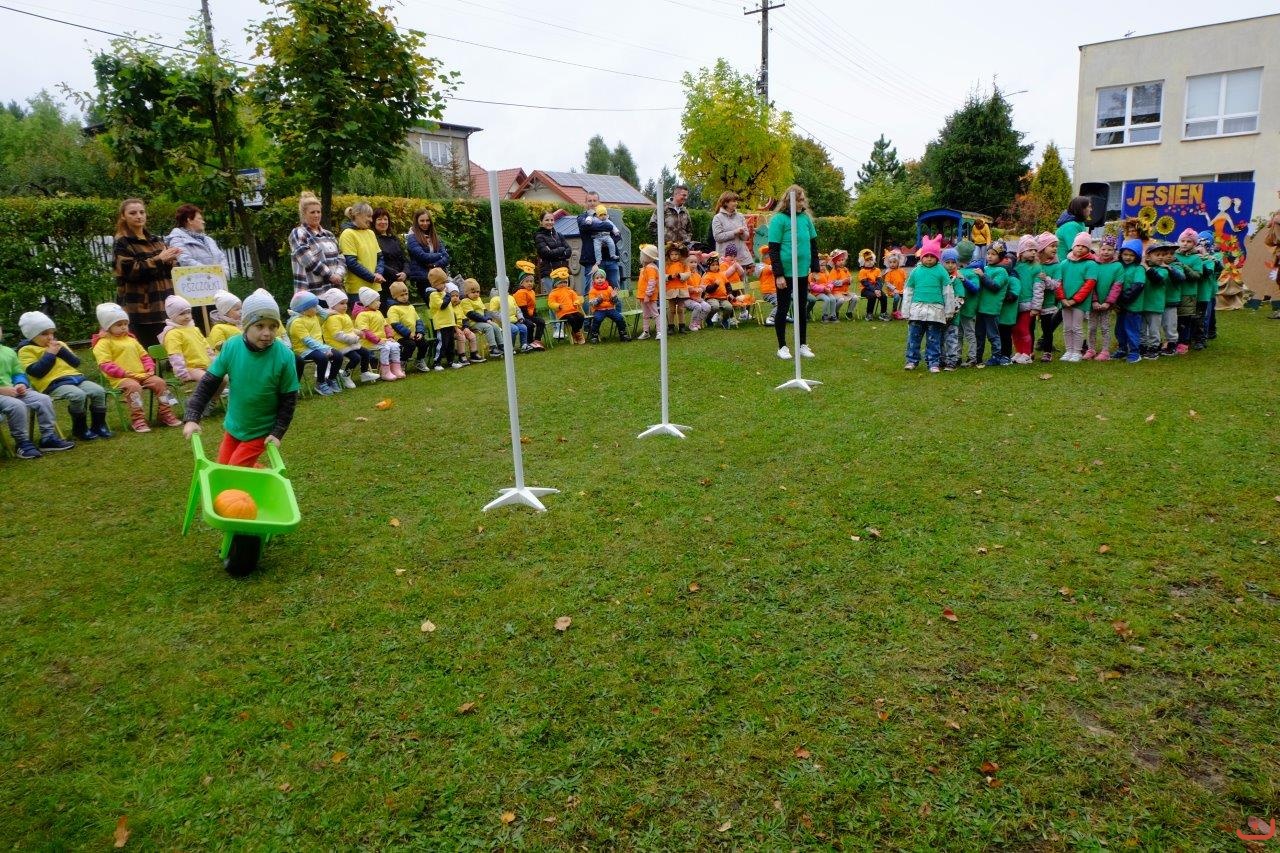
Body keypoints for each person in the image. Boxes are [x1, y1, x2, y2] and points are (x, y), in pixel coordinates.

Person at [182, 289, 299, 468]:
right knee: (225, 469)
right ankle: (263, 476)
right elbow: (208, 383)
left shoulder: (284, 356)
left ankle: (258, 479)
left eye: (272, 326)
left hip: (261, 430)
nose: (267, 333)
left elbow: (289, 399)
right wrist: (192, 417)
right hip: (235, 426)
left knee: (234, 471)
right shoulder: (231, 347)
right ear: (246, 325)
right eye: (260, 326)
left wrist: (277, 432)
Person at [17, 311, 112, 440]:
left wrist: (61, 350)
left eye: (52, 333)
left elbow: (76, 363)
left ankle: (99, 425)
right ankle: (80, 429)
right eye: (44, 334)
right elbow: (36, 372)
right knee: (78, 395)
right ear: (32, 335)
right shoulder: (26, 350)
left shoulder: (59, 345)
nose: (50, 337)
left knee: (99, 391)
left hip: (75, 378)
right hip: (51, 383)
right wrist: (50, 354)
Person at [92, 302, 180, 431]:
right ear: (107, 326)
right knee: (134, 388)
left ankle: (165, 413)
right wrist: (125, 373)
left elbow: (144, 356)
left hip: (142, 374)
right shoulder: (103, 343)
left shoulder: (131, 340)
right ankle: (138, 419)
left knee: (160, 383)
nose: (123, 327)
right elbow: (106, 364)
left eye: (125, 324)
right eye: (119, 325)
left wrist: (150, 368)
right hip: (122, 378)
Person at [0, 322, 74, 457]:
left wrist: (20, 384)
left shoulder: (8, 352)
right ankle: (22, 443)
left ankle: (48, 438)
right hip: (3, 394)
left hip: (13, 391)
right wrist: (2, 390)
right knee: (17, 405)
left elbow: (18, 372)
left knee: (43, 399)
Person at [113, 198, 180, 347]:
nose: (139, 216)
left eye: (142, 212)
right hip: (141, 308)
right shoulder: (122, 242)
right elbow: (130, 272)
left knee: (169, 348)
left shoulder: (156, 239)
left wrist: (171, 261)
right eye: (133, 213)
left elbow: (169, 270)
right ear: (123, 216)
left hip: (164, 303)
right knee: (148, 352)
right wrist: (159, 259)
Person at [766, 185, 819, 359]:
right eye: (799, 200)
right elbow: (773, 249)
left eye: (803, 199)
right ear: (790, 201)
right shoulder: (779, 219)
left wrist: (815, 268)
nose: (802, 203)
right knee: (783, 308)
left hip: (802, 272)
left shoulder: (805, 218)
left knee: (801, 308)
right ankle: (782, 346)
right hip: (785, 273)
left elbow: (813, 245)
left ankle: (802, 344)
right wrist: (779, 274)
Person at [902, 237, 952, 373]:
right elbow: (908, 291)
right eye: (926, 256)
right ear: (922, 256)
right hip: (917, 311)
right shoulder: (916, 271)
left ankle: (933, 362)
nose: (929, 259)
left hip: (935, 312)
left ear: (937, 257)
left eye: (932, 256)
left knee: (934, 339)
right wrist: (906, 311)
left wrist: (949, 311)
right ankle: (911, 360)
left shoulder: (941, 271)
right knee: (914, 337)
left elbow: (947, 292)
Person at [287, 290, 344, 395]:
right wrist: (325, 349)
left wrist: (314, 303)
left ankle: (331, 379)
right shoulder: (296, 322)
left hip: (318, 347)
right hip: (304, 350)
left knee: (338, 356)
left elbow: (324, 314)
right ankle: (320, 383)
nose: (317, 308)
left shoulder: (313, 316)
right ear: (304, 310)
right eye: (314, 306)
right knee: (322, 358)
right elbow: (308, 341)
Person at [290, 192, 345, 295]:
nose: (316, 215)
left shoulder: (329, 235)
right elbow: (307, 259)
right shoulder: (298, 233)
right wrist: (330, 275)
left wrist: (339, 274)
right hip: (312, 294)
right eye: (312, 212)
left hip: (335, 294)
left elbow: (341, 257)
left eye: (318, 212)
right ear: (304, 214)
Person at [322, 288, 375, 385]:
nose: (345, 306)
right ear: (333, 305)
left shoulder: (344, 315)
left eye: (346, 303)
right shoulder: (332, 318)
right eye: (341, 303)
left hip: (349, 343)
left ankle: (364, 373)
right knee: (356, 358)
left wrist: (358, 332)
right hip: (338, 345)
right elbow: (338, 335)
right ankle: (346, 375)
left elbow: (349, 329)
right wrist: (355, 338)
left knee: (365, 352)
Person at [166, 204, 230, 280]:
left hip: (218, 283)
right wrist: (212, 274)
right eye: (200, 219)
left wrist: (223, 274)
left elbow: (222, 258)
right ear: (189, 220)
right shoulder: (177, 240)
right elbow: (185, 261)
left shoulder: (209, 240)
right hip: (196, 284)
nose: (203, 222)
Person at [1085, 236, 1123, 361]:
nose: (1106, 252)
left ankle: (1105, 351)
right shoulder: (1093, 264)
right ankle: (1091, 349)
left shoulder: (1118, 266)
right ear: (1099, 249)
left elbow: (1117, 286)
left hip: (1107, 304)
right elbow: (1090, 283)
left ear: (1114, 251)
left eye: (1109, 249)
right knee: (1091, 327)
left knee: (1105, 328)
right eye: (1103, 249)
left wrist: (1108, 302)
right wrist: (1094, 300)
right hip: (1093, 303)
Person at [159, 295, 214, 383]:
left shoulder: (194, 329)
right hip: (190, 369)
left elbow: (206, 347)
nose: (187, 316)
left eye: (189, 312)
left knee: (224, 378)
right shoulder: (172, 333)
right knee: (209, 380)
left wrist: (214, 361)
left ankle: (215, 392)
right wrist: (182, 373)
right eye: (182, 314)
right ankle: (206, 392)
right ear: (172, 316)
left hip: (206, 364)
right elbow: (175, 355)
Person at [339, 202, 385, 304]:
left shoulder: (371, 233)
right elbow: (351, 263)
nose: (371, 220)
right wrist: (372, 277)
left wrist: (378, 273)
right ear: (357, 215)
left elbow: (380, 257)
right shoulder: (348, 234)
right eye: (368, 216)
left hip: (375, 287)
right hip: (357, 290)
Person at [974, 242, 1011, 367]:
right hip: (980, 308)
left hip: (991, 309)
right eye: (988, 253)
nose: (989, 256)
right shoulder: (985, 268)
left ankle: (996, 356)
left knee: (992, 335)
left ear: (1000, 256)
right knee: (979, 334)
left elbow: (995, 286)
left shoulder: (1002, 271)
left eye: (993, 254)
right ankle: (977, 357)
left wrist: (982, 276)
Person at [354, 287, 402, 380]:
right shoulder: (362, 315)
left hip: (382, 340)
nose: (379, 303)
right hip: (368, 342)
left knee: (395, 345)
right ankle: (385, 372)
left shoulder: (378, 312)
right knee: (386, 348)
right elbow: (365, 331)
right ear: (368, 302)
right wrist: (378, 340)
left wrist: (390, 336)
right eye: (377, 301)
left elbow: (386, 326)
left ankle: (396, 369)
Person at [577, 191, 620, 291]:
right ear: (585, 203)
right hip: (592, 260)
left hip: (610, 259)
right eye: (589, 201)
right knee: (591, 290)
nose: (592, 203)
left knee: (614, 289)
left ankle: (615, 303)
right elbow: (585, 226)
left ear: (598, 202)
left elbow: (617, 235)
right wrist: (606, 225)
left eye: (594, 200)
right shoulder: (582, 217)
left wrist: (607, 242)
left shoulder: (606, 216)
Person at [1113, 238, 1147, 364]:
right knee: (1120, 329)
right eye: (1125, 254)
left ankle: (1134, 352)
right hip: (1121, 305)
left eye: (1132, 255)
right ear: (1121, 254)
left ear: (1137, 256)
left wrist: (1123, 299)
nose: (1128, 257)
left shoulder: (1138, 268)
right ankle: (1122, 348)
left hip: (1133, 305)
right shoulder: (1119, 266)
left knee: (1132, 329)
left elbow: (1138, 286)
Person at [406, 209, 450, 304]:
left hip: (439, 277)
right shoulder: (412, 238)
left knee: (446, 304)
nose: (425, 223)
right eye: (422, 221)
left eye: (427, 220)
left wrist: (434, 265)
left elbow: (446, 257)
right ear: (416, 222)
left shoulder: (434, 237)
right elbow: (422, 256)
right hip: (424, 278)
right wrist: (440, 255)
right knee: (436, 305)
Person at [386, 281, 432, 371]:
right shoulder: (393, 308)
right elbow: (395, 324)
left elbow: (418, 321)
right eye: (401, 295)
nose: (405, 297)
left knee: (424, 344)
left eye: (406, 294)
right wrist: (408, 334)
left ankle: (419, 361)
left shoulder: (411, 307)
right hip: (400, 336)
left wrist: (420, 332)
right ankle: (402, 362)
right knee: (410, 345)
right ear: (395, 296)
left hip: (413, 334)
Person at [1172, 228, 1204, 354]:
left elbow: (1197, 275)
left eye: (1189, 241)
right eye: (1182, 241)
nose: (1185, 244)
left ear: (1194, 244)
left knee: (1185, 319)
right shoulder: (1173, 255)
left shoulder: (1196, 258)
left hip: (1188, 293)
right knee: (1173, 319)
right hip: (1174, 292)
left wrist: (1184, 267)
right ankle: (1173, 341)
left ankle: (1184, 342)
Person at [1139, 242, 1173, 360]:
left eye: (1162, 255)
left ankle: (1154, 347)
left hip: (1155, 305)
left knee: (1154, 329)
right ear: (1148, 256)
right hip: (1142, 304)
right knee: (1142, 328)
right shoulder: (1141, 268)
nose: (1160, 257)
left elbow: (1156, 279)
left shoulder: (1163, 270)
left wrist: (1146, 267)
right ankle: (1143, 346)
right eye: (1157, 255)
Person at [1032, 233, 1062, 361]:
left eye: (1056, 246)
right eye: (1052, 246)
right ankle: (1028, 351)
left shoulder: (1056, 266)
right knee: (1030, 328)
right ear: (1042, 247)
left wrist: (1046, 279)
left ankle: (1047, 352)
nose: (1055, 249)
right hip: (1032, 302)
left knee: (1047, 329)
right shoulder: (1034, 263)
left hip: (1047, 303)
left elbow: (1056, 285)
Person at [954, 241, 982, 367]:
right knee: (958, 334)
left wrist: (963, 279)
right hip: (958, 309)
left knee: (969, 333)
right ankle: (957, 356)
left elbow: (975, 288)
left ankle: (972, 357)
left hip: (968, 309)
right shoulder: (958, 270)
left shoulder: (972, 272)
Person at [428, 267, 462, 368]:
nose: (445, 285)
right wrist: (447, 295)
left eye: (445, 282)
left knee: (450, 344)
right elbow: (443, 305)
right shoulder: (434, 295)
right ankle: (437, 362)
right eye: (442, 283)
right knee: (442, 344)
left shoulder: (444, 293)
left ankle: (451, 361)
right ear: (435, 284)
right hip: (442, 324)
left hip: (450, 323)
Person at [458, 279, 499, 359]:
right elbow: (472, 314)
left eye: (478, 292)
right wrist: (486, 320)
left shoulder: (479, 299)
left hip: (483, 321)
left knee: (495, 326)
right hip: (473, 323)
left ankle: (501, 346)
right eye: (473, 292)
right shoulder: (465, 301)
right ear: (467, 293)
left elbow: (485, 311)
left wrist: (489, 319)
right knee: (488, 327)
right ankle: (492, 348)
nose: (476, 294)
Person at [586, 270, 630, 342]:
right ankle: (594, 336)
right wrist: (599, 300)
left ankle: (623, 334)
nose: (600, 279)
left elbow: (615, 302)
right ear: (594, 280)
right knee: (597, 319)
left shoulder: (609, 288)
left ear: (605, 278)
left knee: (619, 318)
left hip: (610, 309)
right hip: (599, 310)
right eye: (597, 278)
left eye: (602, 277)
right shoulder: (592, 290)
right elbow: (591, 303)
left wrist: (614, 297)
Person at [534, 210, 572, 293]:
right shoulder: (539, 237)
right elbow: (546, 254)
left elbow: (569, 252)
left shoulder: (559, 235)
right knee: (554, 297)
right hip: (550, 273)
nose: (550, 222)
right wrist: (562, 250)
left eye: (552, 220)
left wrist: (554, 253)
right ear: (541, 222)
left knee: (565, 297)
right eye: (547, 220)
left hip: (563, 272)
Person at [547, 267, 587, 344]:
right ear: (555, 284)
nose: (563, 284)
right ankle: (578, 334)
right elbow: (551, 303)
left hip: (573, 310)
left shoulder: (570, 291)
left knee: (581, 317)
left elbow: (576, 298)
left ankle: (574, 332)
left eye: (565, 282)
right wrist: (557, 305)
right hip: (562, 313)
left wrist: (576, 301)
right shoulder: (553, 293)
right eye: (560, 283)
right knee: (571, 319)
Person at [373, 208, 408, 290]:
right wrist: (395, 274)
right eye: (379, 219)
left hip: (400, 282)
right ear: (374, 222)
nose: (383, 222)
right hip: (384, 282)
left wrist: (405, 272)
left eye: (385, 219)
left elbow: (405, 259)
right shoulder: (373, 240)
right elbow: (376, 262)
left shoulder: (395, 239)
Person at [712, 191, 752, 263]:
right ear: (725, 203)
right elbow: (718, 237)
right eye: (733, 201)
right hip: (725, 259)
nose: (736, 203)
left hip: (742, 258)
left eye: (736, 201)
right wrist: (734, 232)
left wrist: (742, 233)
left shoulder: (740, 216)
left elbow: (746, 237)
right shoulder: (717, 218)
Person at [488, 285, 527, 354]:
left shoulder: (510, 297)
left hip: (514, 320)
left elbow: (517, 308)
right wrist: (504, 320)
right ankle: (509, 347)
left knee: (523, 328)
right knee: (514, 329)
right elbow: (493, 312)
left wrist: (520, 317)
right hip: (501, 322)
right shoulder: (494, 299)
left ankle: (524, 345)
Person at [513, 270, 546, 350]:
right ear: (522, 283)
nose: (530, 283)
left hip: (530, 315)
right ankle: (529, 342)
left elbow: (532, 307)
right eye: (527, 281)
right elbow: (522, 309)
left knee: (541, 321)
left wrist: (535, 316)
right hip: (521, 316)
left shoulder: (531, 292)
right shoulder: (520, 292)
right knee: (530, 324)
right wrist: (529, 318)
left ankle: (537, 341)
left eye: (531, 281)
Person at [635, 243, 661, 340]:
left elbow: (652, 282)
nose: (640, 257)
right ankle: (646, 331)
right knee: (645, 315)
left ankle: (659, 331)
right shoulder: (646, 267)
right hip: (643, 296)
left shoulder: (651, 268)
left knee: (655, 313)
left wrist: (648, 294)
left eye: (642, 255)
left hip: (649, 296)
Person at [1054, 196, 1092, 262]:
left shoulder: (1080, 223)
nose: (1091, 209)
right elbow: (1077, 252)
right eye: (1089, 207)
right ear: (1081, 209)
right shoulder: (1071, 226)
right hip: (1065, 265)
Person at [664, 242, 690, 334]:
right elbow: (662, 275)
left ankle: (682, 326)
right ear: (669, 255)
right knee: (671, 309)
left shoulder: (683, 264)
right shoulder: (667, 265)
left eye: (676, 254)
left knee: (680, 308)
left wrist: (680, 275)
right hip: (671, 289)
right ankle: (670, 326)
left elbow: (688, 274)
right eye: (672, 254)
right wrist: (669, 277)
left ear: (680, 255)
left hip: (681, 289)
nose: (674, 256)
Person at [857, 250, 885, 320]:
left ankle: (883, 313)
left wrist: (878, 289)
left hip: (876, 288)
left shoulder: (877, 270)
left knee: (883, 296)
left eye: (871, 259)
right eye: (867, 260)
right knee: (872, 296)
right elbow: (866, 283)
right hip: (865, 289)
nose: (870, 262)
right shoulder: (862, 271)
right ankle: (869, 314)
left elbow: (879, 281)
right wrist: (875, 290)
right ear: (863, 262)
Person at [883, 250, 907, 320]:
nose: (892, 264)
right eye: (890, 262)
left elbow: (905, 280)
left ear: (898, 262)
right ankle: (894, 311)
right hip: (892, 291)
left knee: (906, 297)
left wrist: (904, 288)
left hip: (901, 290)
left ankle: (901, 311)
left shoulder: (902, 271)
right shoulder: (888, 272)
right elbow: (887, 283)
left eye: (894, 262)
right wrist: (894, 289)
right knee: (897, 297)